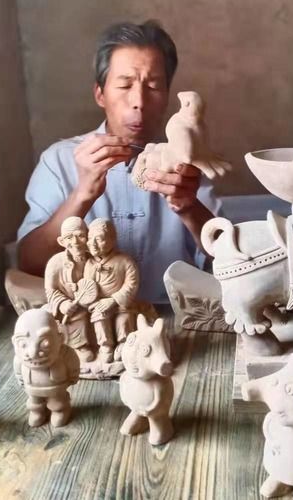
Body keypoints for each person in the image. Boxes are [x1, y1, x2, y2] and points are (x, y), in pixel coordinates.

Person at [17, 20, 221, 303]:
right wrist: (82, 194)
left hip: (175, 318)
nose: (139, 101)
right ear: (100, 94)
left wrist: (189, 207)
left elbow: (226, 258)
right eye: (124, 85)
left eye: (153, 86)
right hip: (92, 319)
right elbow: (29, 263)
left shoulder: (186, 161)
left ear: (166, 97)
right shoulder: (58, 161)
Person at [83, 218, 139, 362]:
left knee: (123, 319)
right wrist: (93, 301)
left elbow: (131, 284)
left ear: (112, 240)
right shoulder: (89, 264)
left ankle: (123, 343)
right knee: (99, 316)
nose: (93, 244)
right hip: (99, 303)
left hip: (120, 304)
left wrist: (113, 300)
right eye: (90, 238)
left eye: (99, 239)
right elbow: (87, 287)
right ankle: (105, 345)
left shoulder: (125, 261)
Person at [43, 217, 94, 363]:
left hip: (92, 303)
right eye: (69, 238)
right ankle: (78, 346)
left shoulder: (95, 259)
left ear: (88, 236)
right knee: (74, 315)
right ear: (61, 241)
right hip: (69, 308)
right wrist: (63, 303)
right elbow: (50, 289)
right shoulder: (55, 263)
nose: (75, 242)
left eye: (80, 235)